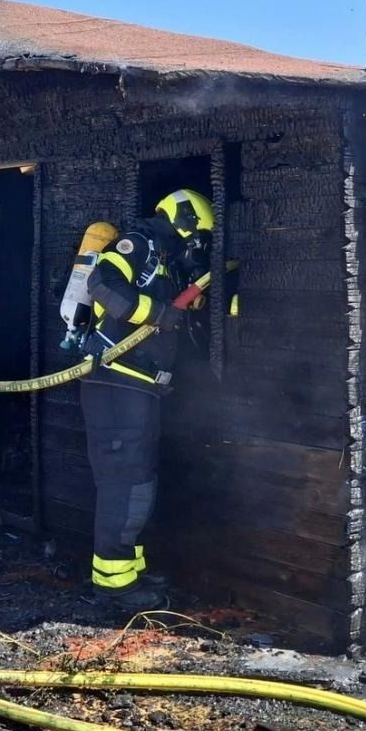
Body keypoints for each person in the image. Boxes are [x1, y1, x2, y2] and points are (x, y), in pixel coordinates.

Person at [79, 189, 214, 611]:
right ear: (184, 221)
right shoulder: (137, 244)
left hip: (141, 385)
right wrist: (156, 313)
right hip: (116, 382)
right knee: (124, 480)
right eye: (196, 238)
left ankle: (128, 570)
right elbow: (101, 283)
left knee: (138, 480)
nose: (196, 248)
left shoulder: (168, 265)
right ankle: (113, 584)